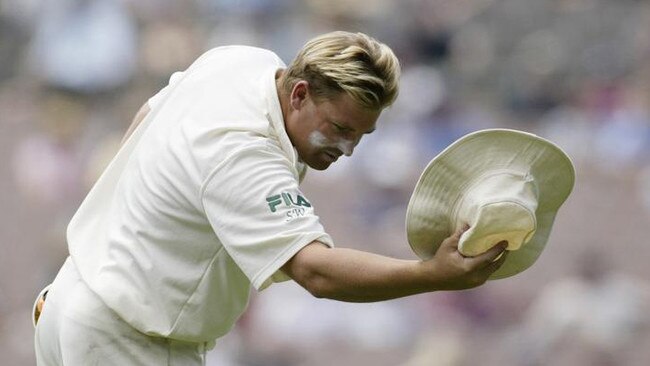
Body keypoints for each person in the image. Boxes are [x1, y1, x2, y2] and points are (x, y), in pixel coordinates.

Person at [33, 31, 508, 365]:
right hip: (127, 340)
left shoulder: (241, 61)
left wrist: (88, 268)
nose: (347, 150)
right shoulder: (243, 154)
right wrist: (432, 275)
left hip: (75, 305)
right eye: (340, 130)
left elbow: (147, 115)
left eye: (363, 135)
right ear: (299, 93)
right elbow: (316, 272)